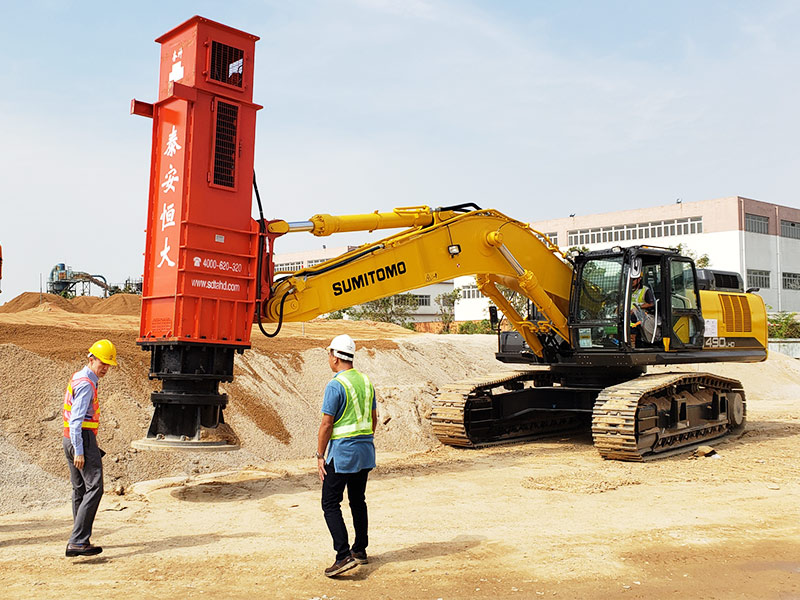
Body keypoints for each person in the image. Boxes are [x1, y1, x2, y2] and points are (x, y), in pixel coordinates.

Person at [316, 334, 377, 577]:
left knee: (330, 503)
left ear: (336, 357)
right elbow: (372, 419)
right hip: (365, 451)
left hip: (343, 453)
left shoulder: (336, 385)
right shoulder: (366, 381)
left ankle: (343, 556)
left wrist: (320, 455)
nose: (329, 358)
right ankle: (360, 550)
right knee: (357, 500)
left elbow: (326, 424)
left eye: (330, 353)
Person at [62, 339, 117, 557]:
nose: (105, 368)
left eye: (108, 365)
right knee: (95, 487)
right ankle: (78, 540)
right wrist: (80, 450)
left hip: (69, 438)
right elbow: (76, 420)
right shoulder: (86, 383)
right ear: (91, 358)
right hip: (80, 438)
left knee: (80, 489)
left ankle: (79, 537)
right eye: (102, 362)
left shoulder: (78, 376)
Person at [630, 275, 656, 346]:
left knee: (632, 318)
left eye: (634, 279)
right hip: (628, 312)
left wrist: (638, 307)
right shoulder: (627, 289)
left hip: (643, 314)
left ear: (639, 279)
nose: (631, 281)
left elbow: (651, 303)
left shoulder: (645, 290)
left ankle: (632, 342)